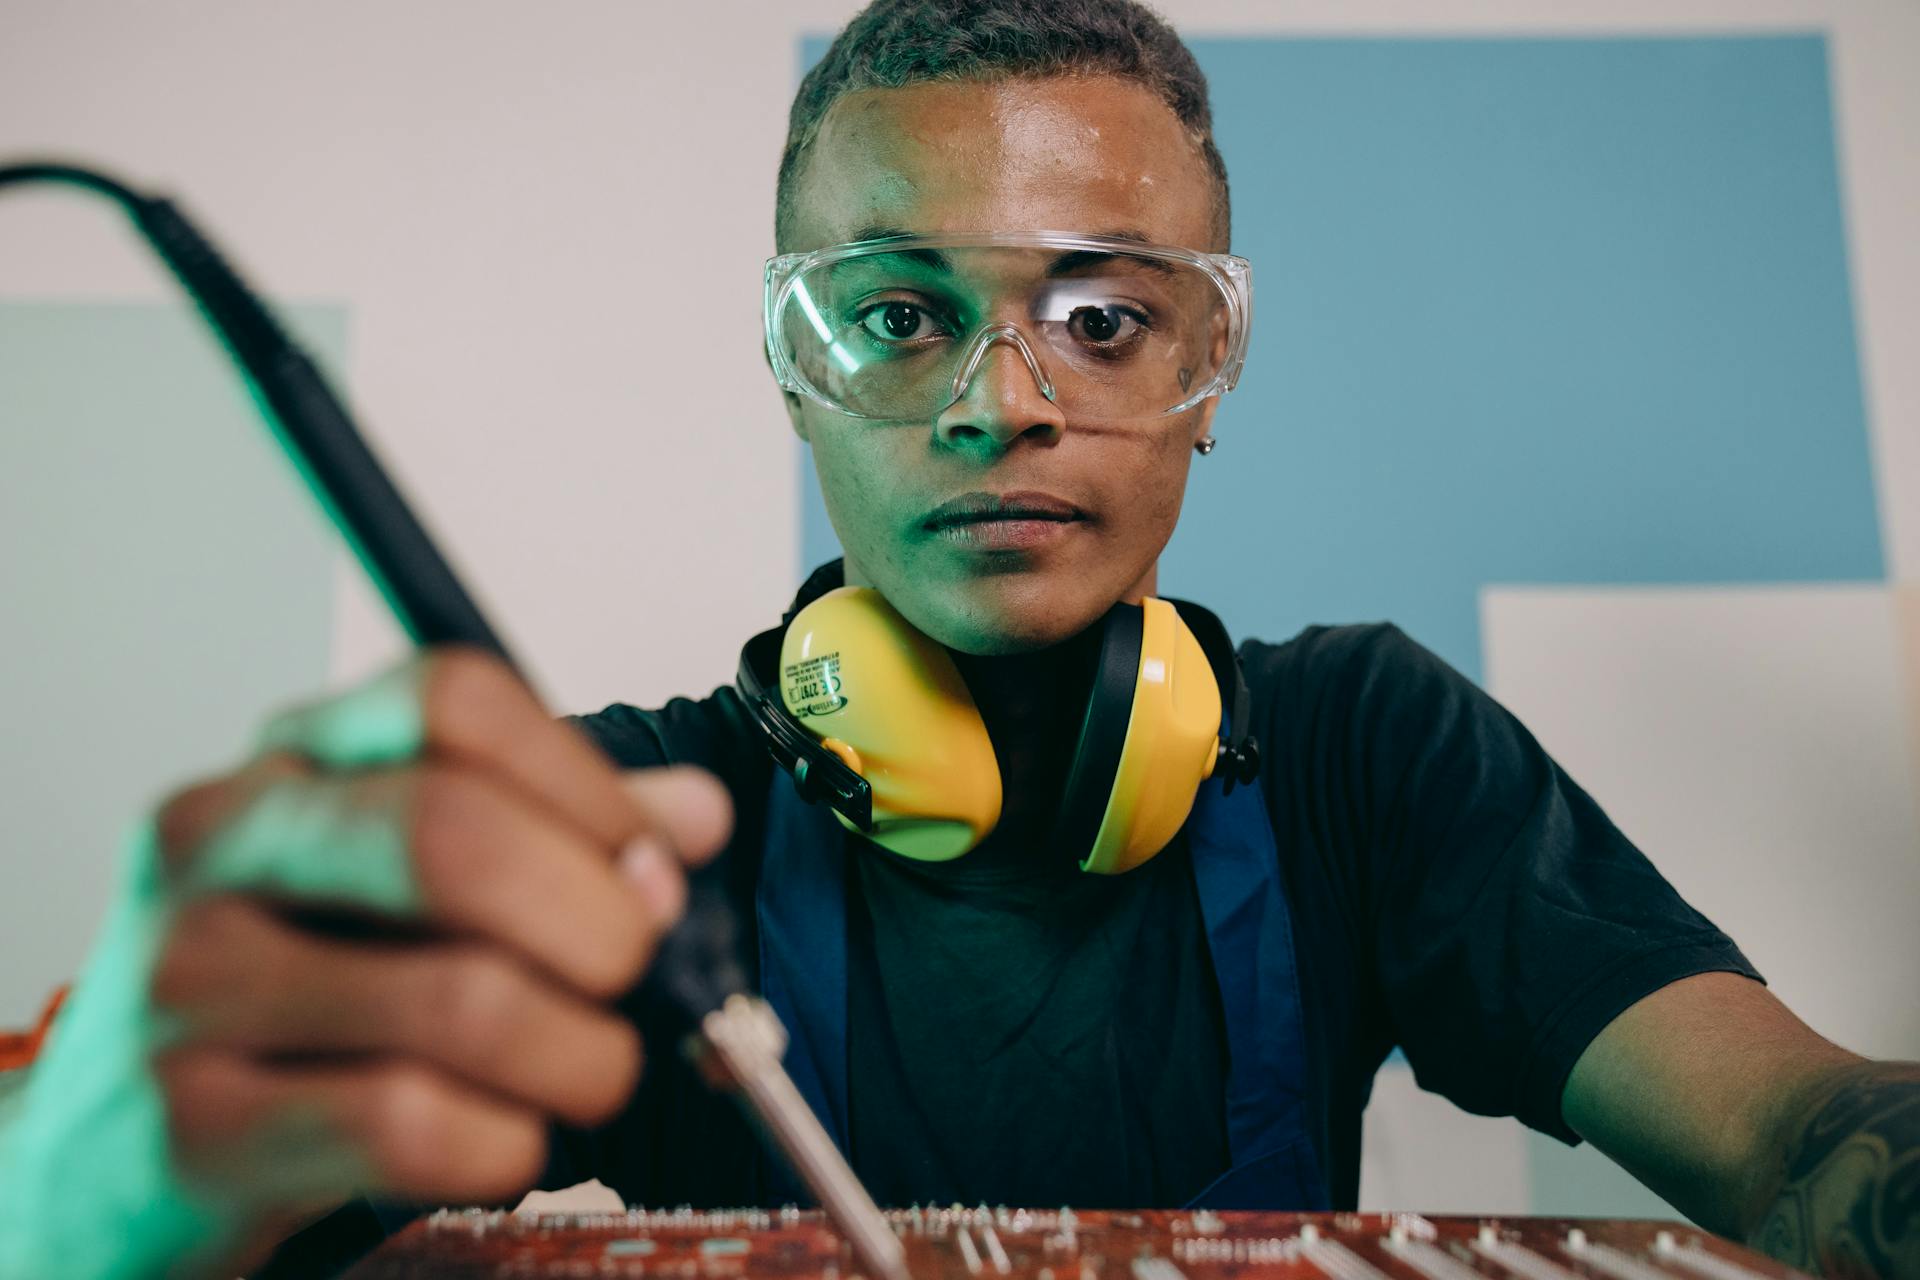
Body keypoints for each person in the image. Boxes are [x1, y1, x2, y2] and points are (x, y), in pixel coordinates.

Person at [6, 2, 1914, 1278]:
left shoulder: (1369, 753)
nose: (1003, 402)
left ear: (1207, 373)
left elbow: (1799, 1134)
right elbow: (185, 1205)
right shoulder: (618, 827)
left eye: (1105, 319)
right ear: (797, 377)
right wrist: (80, 1192)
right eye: (901, 316)